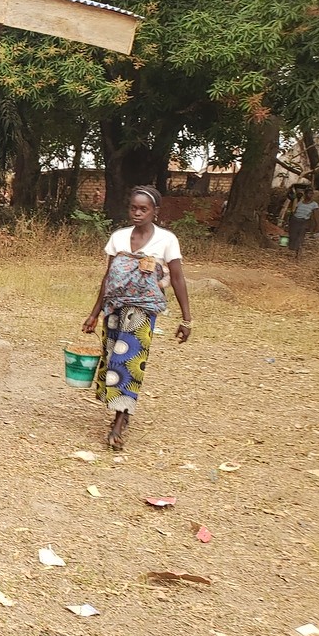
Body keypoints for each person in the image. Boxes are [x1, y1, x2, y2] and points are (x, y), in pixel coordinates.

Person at [81, 185, 192, 451]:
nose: (137, 213)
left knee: (128, 361)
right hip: (115, 307)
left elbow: (177, 278)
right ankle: (123, 409)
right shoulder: (118, 238)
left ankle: (119, 422)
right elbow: (108, 278)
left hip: (143, 309)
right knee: (111, 359)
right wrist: (94, 313)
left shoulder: (166, 240)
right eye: (133, 208)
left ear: (155, 211)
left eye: (144, 209)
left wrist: (187, 319)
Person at [288, 186, 318, 258]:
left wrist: (316, 225)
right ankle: (294, 249)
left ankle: (298, 252)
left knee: (300, 236)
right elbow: (295, 211)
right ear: (305, 194)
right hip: (295, 220)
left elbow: (315, 216)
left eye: (312, 194)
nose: (311, 195)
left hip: (304, 221)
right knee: (293, 236)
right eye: (309, 193)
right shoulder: (300, 203)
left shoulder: (314, 204)